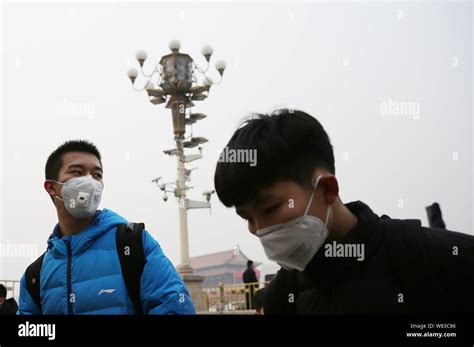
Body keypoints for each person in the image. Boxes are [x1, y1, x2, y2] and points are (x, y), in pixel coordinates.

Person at [214, 109, 474, 314]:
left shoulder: (443, 260)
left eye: (270, 208)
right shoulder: (283, 296)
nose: (260, 229)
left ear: (327, 189)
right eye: (247, 218)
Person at [18, 140, 196, 315]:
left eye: (97, 175)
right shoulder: (35, 275)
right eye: (77, 172)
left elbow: (175, 307)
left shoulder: (134, 245)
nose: (89, 181)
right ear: (52, 187)